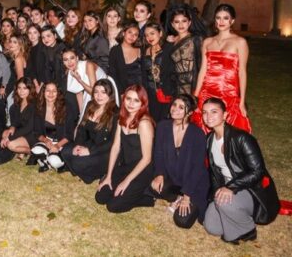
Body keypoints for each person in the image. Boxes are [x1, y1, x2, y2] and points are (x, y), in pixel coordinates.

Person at [201, 97, 280, 244]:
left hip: (251, 190)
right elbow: (215, 173)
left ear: (225, 115)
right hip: (229, 187)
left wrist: (230, 187)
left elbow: (258, 171)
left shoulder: (242, 138)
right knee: (211, 227)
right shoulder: (209, 139)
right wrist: (214, 196)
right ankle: (235, 212)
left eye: (214, 112)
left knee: (224, 204)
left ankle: (248, 230)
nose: (208, 116)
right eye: (204, 112)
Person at [148, 95, 209, 229]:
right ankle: (176, 197)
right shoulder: (163, 126)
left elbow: (197, 168)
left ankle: (183, 197)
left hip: (193, 183)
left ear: (190, 112)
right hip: (174, 178)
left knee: (183, 221)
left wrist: (187, 196)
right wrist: (159, 174)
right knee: (154, 186)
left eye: (181, 107)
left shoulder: (197, 134)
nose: (175, 109)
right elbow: (158, 153)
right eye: (174, 105)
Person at [95, 85, 155, 213]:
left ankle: (147, 198)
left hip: (143, 170)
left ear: (142, 103)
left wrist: (126, 181)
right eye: (128, 99)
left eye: (136, 100)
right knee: (101, 197)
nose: (131, 103)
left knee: (113, 206)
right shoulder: (121, 118)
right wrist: (109, 176)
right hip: (127, 167)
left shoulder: (144, 123)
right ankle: (128, 191)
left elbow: (147, 158)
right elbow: (115, 147)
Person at [193, 4, 251, 133]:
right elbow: (203, 70)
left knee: (229, 130)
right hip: (207, 91)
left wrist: (241, 101)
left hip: (228, 92)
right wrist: (196, 95)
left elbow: (242, 72)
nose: (221, 21)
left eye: (226, 18)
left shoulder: (240, 42)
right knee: (203, 128)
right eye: (218, 18)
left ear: (232, 21)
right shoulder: (207, 42)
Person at [60, 79, 118, 183]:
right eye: (96, 92)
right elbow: (82, 129)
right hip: (88, 144)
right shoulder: (91, 104)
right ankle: (84, 171)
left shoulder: (116, 113)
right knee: (65, 151)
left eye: (103, 92)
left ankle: (95, 174)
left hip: (104, 151)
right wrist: (78, 144)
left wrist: (89, 151)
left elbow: (112, 142)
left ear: (110, 94)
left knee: (78, 162)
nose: (99, 96)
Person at [31, 82, 78, 172]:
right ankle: (46, 159)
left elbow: (69, 135)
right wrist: (46, 140)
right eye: (48, 90)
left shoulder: (67, 107)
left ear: (58, 93)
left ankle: (51, 161)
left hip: (62, 143)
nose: (51, 94)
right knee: (36, 150)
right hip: (48, 141)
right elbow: (36, 132)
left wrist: (57, 146)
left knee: (54, 161)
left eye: (54, 91)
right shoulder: (39, 107)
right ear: (43, 92)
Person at [165, 5, 203, 97]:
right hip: (176, 84)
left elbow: (202, 64)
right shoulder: (171, 41)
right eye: (177, 22)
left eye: (184, 21)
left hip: (193, 84)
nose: (181, 25)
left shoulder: (196, 39)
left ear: (189, 22)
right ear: (172, 24)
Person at [0, 77, 38, 159]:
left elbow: (29, 127)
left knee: (10, 144)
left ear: (30, 89)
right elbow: (14, 123)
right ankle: (22, 151)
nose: (21, 91)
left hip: (32, 134)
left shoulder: (34, 105)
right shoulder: (15, 106)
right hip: (21, 131)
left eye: (25, 88)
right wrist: (12, 128)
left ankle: (33, 152)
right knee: (4, 133)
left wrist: (9, 138)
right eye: (19, 88)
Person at [142, 22, 173, 122]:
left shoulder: (168, 48)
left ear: (160, 33)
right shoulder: (145, 50)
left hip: (166, 92)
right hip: (150, 94)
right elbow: (144, 74)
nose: (149, 37)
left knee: (165, 122)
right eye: (146, 35)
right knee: (152, 121)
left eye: (152, 33)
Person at [108, 21, 142, 95]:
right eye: (130, 32)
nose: (132, 36)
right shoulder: (115, 51)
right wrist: (121, 93)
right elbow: (113, 74)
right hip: (122, 92)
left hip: (140, 92)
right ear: (123, 33)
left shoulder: (140, 50)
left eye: (135, 35)